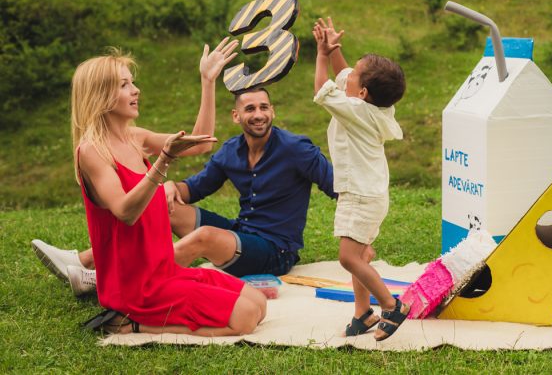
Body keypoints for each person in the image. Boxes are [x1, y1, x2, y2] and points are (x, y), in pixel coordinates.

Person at [33, 87, 338, 295]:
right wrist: (168, 186)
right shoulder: (230, 151)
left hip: (276, 252)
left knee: (203, 237)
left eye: (263, 107)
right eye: (249, 108)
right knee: (160, 204)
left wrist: (359, 241)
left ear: (272, 111)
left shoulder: (297, 149)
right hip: (242, 234)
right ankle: (83, 261)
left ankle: (119, 281)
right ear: (236, 116)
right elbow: (193, 189)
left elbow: (338, 189)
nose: (258, 114)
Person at [61, 42, 266, 336]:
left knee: (258, 303)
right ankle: (128, 323)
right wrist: (163, 162)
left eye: (132, 83)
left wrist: (207, 82)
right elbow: (125, 212)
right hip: (135, 288)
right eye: (124, 85)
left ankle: (144, 318)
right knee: (245, 318)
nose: (136, 91)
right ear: (101, 96)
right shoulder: (92, 151)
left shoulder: (135, 137)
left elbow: (203, 142)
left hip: (164, 272)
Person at [312, 17, 410, 341]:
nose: (347, 75)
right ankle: (362, 313)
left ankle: (391, 305)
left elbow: (323, 90)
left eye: (354, 73)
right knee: (361, 255)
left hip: (360, 194)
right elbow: (343, 79)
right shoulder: (376, 106)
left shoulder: (355, 110)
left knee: (348, 257)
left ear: (362, 91)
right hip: (369, 192)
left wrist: (322, 54)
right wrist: (336, 49)